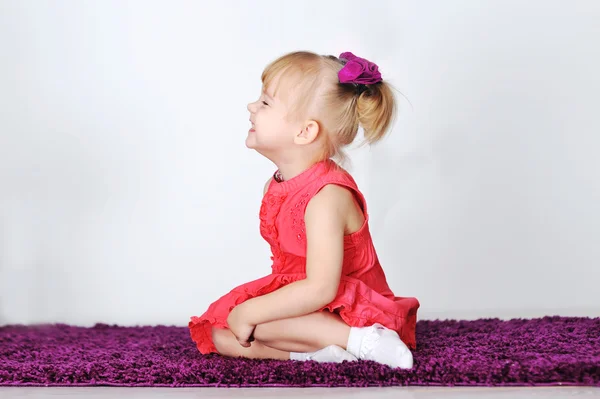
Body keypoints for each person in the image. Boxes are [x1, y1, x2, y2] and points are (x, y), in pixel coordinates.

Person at [189, 51, 420, 369]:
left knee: (255, 320)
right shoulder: (279, 184)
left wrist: (252, 311)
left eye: (266, 103)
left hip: (348, 306)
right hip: (308, 301)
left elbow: (321, 288)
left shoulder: (327, 196)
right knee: (219, 333)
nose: (251, 107)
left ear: (305, 132)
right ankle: (320, 355)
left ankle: (364, 338)